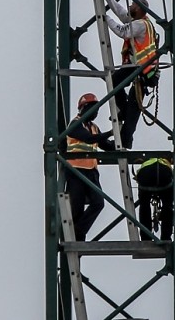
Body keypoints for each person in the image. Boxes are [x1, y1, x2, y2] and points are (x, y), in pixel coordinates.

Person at [102, 0, 159, 149]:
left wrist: (104, 18)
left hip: (141, 70)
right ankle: (125, 119)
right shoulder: (140, 22)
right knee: (127, 103)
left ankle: (126, 139)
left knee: (131, 108)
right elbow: (121, 13)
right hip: (140, 69)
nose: (129, 7)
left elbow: (123, 31)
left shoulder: (140, 25)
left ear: (139, 9)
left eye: (132, 5)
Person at [65, 93, 115, 241]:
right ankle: (78, 238)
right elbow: (88, 139)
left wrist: (119, 140)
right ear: (83, 108)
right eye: (93, 109)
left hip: (91, 172)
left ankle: (78, 231)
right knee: (77, 208)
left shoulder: (94, 127)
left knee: (98, 203)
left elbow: (105, 146)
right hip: (76, 171)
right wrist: (110, 133)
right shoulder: (75, 124)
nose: (95, 113)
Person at [134, 157, 173, 241]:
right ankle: (166, 237)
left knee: (144, 206)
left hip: (146, 176)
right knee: (168, 205)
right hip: (164, 175)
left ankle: (145, 237)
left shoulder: (145, 164)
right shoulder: (165, 163)